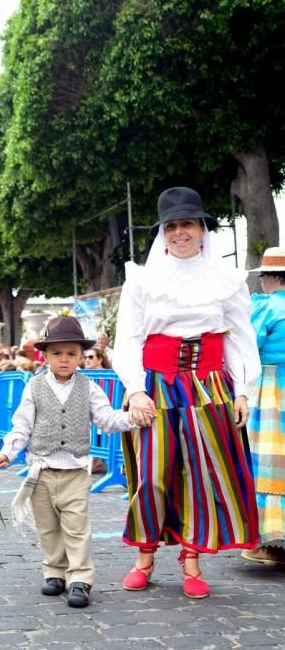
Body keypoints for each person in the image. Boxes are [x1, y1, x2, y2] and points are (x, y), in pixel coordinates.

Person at [112, 187, 262, 599]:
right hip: (158, 383)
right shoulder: (142, 279)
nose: (180, 232)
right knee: (154, 473)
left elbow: (240, 339)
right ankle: (144, 556)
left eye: (188, 224)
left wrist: (243, 390)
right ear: (164, 231)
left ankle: (192, 560)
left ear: (202, 230)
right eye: (172, 225)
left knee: (203, 472)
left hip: (211, 383)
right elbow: (128, 339)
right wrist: (136, 390)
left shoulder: (226, 279)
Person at [0, 315, 138, 608]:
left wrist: (133, 417)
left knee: (76, 526)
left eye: (71, 354)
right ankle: (54, 572)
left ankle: (80, 578)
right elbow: (22, 425)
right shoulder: (33, 387)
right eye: (57, 353)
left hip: (75, 471)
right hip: (41, 471)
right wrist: (8, 450)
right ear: (44, 355)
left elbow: (107, 418)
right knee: (48, 527)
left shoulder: (89, 388)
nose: (64, 359)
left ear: (82, 357)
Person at [241, 247, 285, 565]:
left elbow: (248, 346)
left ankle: (269, 542)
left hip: (270, 388)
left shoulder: (267, 307)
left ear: (270, 277)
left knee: (268, 460)